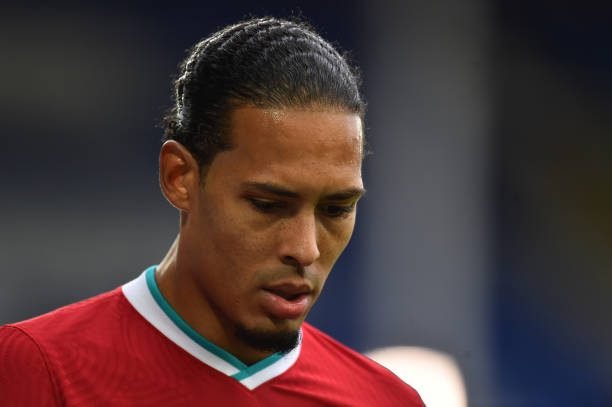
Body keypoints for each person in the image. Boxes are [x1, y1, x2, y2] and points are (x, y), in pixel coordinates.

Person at [0, 17, 424, 406]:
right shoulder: (37, 369)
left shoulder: (386, 400)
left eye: (336, 209)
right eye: (267, 205)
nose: (305, 249)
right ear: (179, 176)